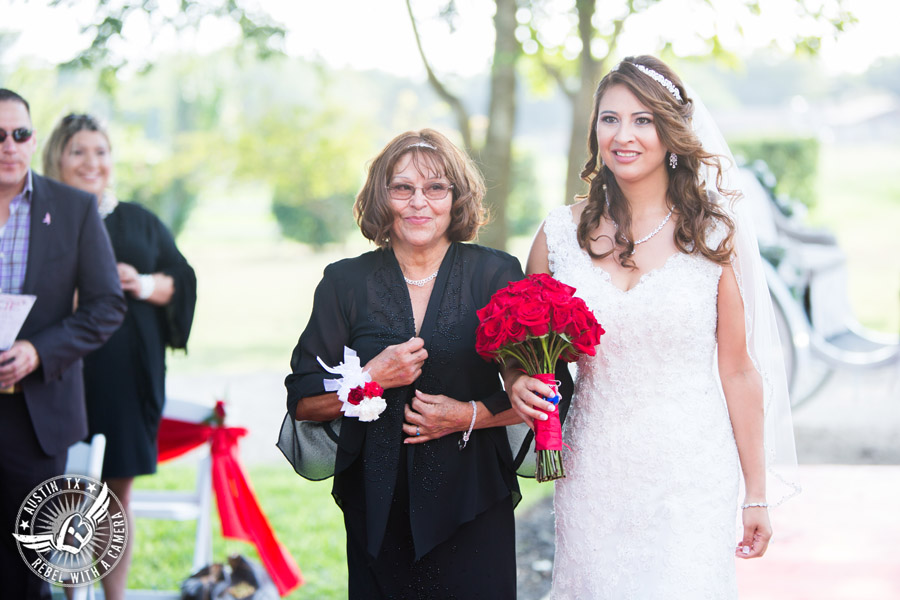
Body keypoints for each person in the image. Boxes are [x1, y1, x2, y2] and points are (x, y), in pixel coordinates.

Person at [506, 56, 799, 598]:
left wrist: (755, 493)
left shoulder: (714, 235)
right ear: (594, 129)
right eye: (610, 119)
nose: (624, 135)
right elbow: (523, 355)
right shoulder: (558, 235)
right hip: (594, 467)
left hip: (690, 469)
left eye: (643, 120)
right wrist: (516, 381)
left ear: (671, 130)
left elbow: (738, 370)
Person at [277, 129, 570, 599]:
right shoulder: (344, 283)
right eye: (402, 188)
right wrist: (372, 378)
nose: (419, 202)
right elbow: (305, 403)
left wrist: (468, 415)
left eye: (436, 188)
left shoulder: (494, 273)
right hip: (378, 506)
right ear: (382, 197)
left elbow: (545, 389)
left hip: (473, 501)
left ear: (456, 198)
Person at [42, 112, 197, 600]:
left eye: (101, 151)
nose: (92, 162)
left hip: (128, 376)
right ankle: (71, 594)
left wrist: (142, 283)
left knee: (114, 496)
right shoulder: (44, 217)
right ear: (57, 159)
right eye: (79, 152)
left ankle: (114, 597)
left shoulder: (140, 222)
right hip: (63, 372)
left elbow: (181, 280)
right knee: (64, 494)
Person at [0, 89, 126, 599]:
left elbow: (105, 305)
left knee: (26, 569)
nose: (9, 145)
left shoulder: (72, 210)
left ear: (33, 140)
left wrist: (38, 351)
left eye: (20, 134)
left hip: (35, 416)